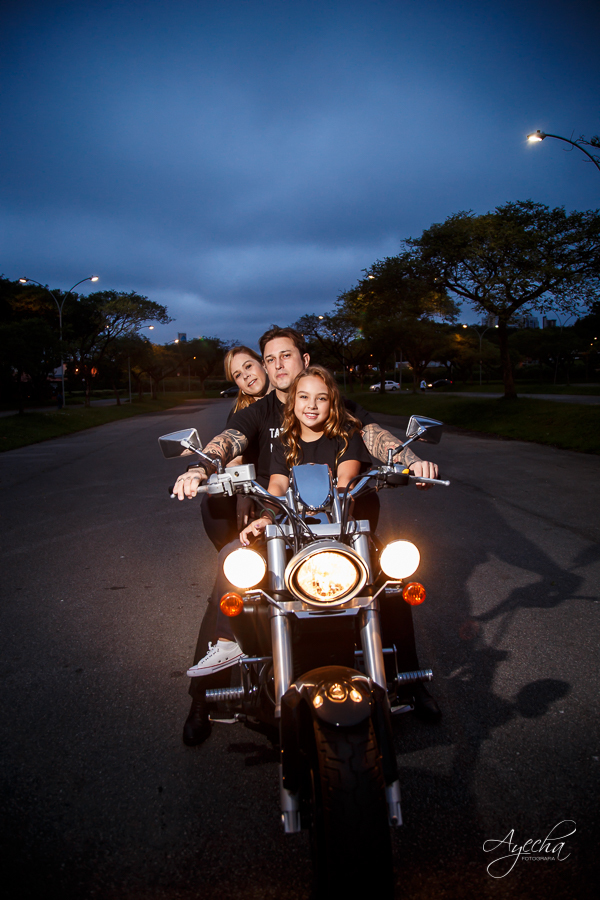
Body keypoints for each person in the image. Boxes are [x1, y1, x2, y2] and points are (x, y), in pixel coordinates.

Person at [173, 327, 441, 745]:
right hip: (279, 527)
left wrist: (412, 460)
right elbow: (231, 441)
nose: (278, 365)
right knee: (232, 572)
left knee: (389, 581)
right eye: (271, 358)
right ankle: (202, 698)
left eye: (287, 356)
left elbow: (374, 437)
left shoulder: (339, 410)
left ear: (304, 359)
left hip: (345, 525)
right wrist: (199, 469)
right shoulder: (260, 413)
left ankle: (410, 682)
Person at [200, 346, 269, 551]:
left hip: (290, 482)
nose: (246, 375)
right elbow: (233, 453)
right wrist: (243, 493)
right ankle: (232, 559)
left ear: (263, 364)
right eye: (238, 375)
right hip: (256, 484)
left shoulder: (297, 398)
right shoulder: (241, 411)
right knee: (213, 501)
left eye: (248, 366)